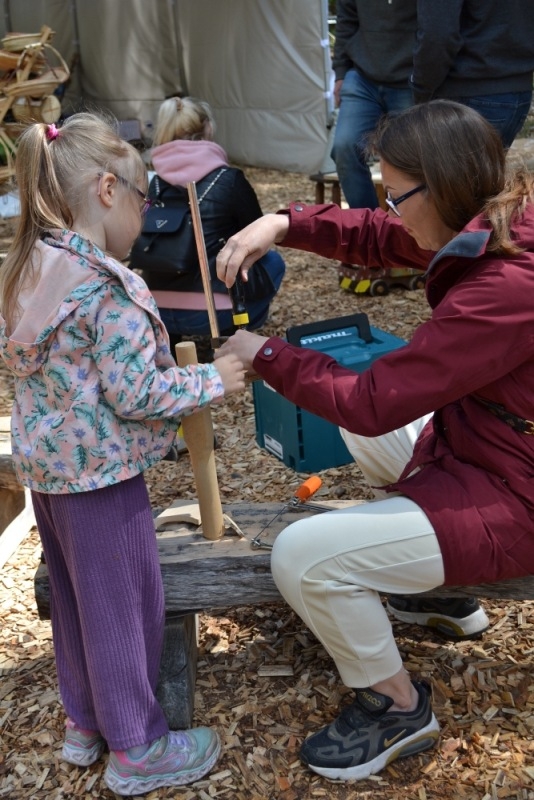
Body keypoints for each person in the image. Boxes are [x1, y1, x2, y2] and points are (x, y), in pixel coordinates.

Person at [214, 100, 534, 781]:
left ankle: (397, 707)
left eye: (396, 192)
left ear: (441, 185)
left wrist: (266, 354)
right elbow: (383, 239)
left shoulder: (506, 287)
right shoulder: (494, 224)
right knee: (375, 439)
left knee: (302, 556)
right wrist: (284, 221)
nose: (388, 206)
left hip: (520, 491)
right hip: (493, 447)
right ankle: (445, 595)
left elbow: (371, 399)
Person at [0, 114, 246, 796]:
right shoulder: (107, 286)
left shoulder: (25, 266)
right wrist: (211, 381)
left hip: (49, 474)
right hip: (102, 477)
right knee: (124, 611)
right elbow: (136, 391)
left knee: (78, 604)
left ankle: (85, 726)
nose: (146, 216)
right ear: (108, 190)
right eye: (144, 200)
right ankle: (137, 748)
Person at [139, 96, 285, 339]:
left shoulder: (150, 183)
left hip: (155, 311)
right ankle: (241, 330)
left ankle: (175, 341)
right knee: (273, 262)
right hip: (212, 313)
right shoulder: (229, 180)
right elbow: (259, 239)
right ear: (207, 128)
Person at [412, 0, 534, 148]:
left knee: (451, 170)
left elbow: (437, 35)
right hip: (517, 88)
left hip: (467, 92)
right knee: (482, 170)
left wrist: (420, 87)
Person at [330, 0, 417, 209]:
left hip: (410, 78)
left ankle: (405, 228)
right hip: (362, 76)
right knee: (345, 147)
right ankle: (368, 226)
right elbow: (346, 21)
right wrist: (341, 72)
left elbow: (437, 26)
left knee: (407, 159)